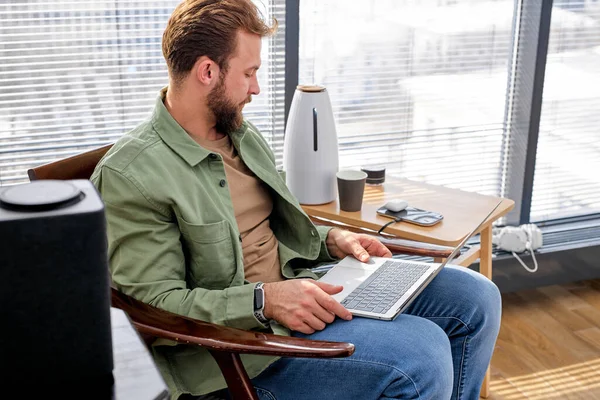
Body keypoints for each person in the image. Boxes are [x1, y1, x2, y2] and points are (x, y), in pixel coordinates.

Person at [91, 1, 502, 399]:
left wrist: (330, 239)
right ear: (207, 71)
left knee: (476, 298)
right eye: (249, 72)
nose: (256, 87)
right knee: (422, 354)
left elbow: (265, 226)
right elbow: (152, 308)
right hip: (242, 353)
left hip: (304, 289)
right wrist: (265, 300)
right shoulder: (131, 176)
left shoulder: (240, 136)